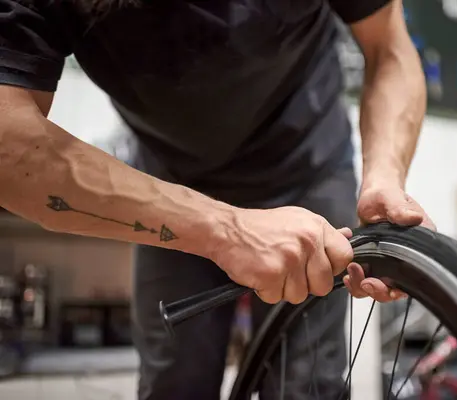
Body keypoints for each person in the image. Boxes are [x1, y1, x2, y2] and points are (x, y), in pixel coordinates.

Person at [0, 0, 434, 398]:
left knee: (305, 384)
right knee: (175, 382)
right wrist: (225, 230)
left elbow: (389, 47)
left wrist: (386, 180)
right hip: (173, 183)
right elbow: (8, 144)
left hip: (310, 166)